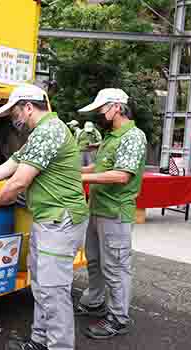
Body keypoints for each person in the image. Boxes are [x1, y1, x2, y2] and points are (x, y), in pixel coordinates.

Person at [0, 84, 88, 350]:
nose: (14, 120)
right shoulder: (39, 135)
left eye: (14, 113)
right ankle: (39, 341)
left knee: (53, 290)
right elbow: (6, 168)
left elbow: (18, 183)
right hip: (48, 219)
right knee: (41, 284)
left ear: (27, 107)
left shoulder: (49, 132)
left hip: (60, 222)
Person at [73, 88, 147, 339]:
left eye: (102, 109)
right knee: (94, 259)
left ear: (116, 107)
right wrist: (76, 171)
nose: (99, 114)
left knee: (116, 266)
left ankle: (118, 318)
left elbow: (121, 175)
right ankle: (94, 301)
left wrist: (83, 176)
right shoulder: (112, 136)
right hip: (98, 208)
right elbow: (101, 166)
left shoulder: (133, 137)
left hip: (115, 211)